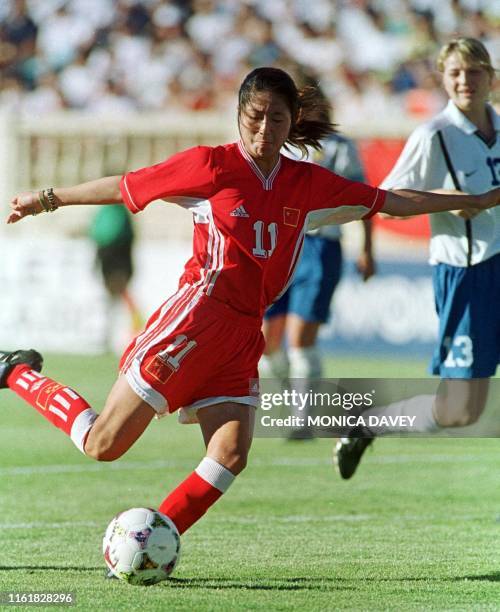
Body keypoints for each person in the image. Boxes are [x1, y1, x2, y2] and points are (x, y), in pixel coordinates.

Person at [2, 67, 499, 544]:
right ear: (239, 115)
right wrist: (48, 198)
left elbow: (391, 201)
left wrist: (465, 202)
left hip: (242, 335)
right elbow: (127, 185)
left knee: (231, 453)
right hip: (194, 319)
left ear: (291, 122)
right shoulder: (210, 166)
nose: (264, 129)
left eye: (277, 119)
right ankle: (19, 373)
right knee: (102, 445)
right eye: (255, 116)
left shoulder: (307, 183)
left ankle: (155, 538)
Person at [334, 38, 500, 479]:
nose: (465, 81)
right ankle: (369, 424)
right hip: (468, 275)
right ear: (444, 80)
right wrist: (451, 198)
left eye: (475, 71)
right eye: (455, 73)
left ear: (492, 78)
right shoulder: (434, 135)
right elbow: (388, 197)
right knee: (459, 411)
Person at [260, 125, 375, 439]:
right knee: (267, 343)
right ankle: (292, 402)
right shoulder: (275, 144)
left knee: (300, 338)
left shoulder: (339, 146)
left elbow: (364, 197)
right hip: (278, 245)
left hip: (320, 247)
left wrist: (366, 247)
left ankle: (302, 420)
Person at [89, 204, 143, 351]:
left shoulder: (109, 212)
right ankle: (120, 336)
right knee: (119, 299)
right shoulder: (117, 212)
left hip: (112, 261)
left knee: (119, 299)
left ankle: (124, 335)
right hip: (117, 261)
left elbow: (99, 236)